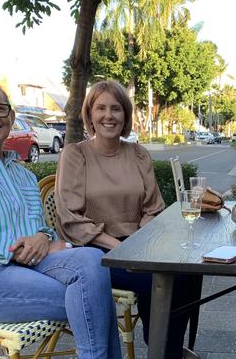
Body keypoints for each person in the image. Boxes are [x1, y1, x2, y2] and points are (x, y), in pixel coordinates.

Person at [0, 81, 121, 359]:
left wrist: (43, 238)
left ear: (11, 117)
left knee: (93, 262)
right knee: (93, 296)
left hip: (26, 268)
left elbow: (39, 229)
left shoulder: (22, 174)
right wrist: (25, 249)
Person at [55, 80, 199, 359]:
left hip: (138, 244)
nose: (109, 115)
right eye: (101, 108)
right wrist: (120, 248)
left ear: (126, 115)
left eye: (116, 109)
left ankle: (163, 347)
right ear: (90, 115)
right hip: (94, 252)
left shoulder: (138, 154)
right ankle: (164, 349)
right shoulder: (75, 155)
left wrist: (139, 243)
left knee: (188, 271)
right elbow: (70, 218)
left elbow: (153, 208)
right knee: (159, 280)